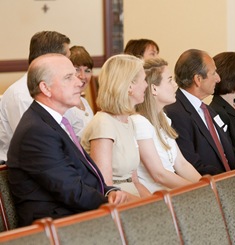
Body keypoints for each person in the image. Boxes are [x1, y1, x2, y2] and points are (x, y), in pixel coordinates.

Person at [7, 54, 131, 227]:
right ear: (46, 88)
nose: (79, 81)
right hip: (54, 227)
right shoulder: (36, 131)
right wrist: (109, 202)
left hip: (74, 215)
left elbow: (83, 176)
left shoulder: (53, 122)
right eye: (68, 77)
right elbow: (71, 191)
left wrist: (110, 191)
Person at [0, 31, 82, 163]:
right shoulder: (21, 94)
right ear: (52, 58)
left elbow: (75, 129)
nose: (71, 63)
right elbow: (38, 145)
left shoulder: (61, 92)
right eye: (68, 57)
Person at [81, 54, 150, 197]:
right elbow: (107, 188)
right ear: (130, 85)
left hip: (132, 196)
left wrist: (157, 205)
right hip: (117, 202)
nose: (146, 85)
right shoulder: (103, 124)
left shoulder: (129, 121)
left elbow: (135, 180)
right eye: (144, 80)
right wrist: (148, 208)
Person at [132, 58, 202, 193]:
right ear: (154, 88)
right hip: (156, 200)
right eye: (170, 80)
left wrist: (207, 187)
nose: (175, 85)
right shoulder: (139, 122)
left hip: (171, 194)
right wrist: (197, 190)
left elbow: (182, 164)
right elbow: (159, 175)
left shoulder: (163, 118)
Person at [164, 49, 235, 175]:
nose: (218, 79)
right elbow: (191, 163)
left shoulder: (208, 110)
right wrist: (227, 180)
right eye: (214, 73)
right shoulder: (175, 112)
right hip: (209, 187)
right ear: (198, 79)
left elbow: (228, 152)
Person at [66, 45, 94, 138]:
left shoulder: (84, 102)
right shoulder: (64, 106)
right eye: (77, 69)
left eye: (87, 70)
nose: (83, 76)